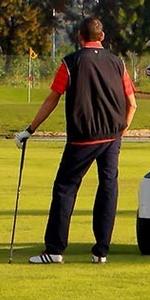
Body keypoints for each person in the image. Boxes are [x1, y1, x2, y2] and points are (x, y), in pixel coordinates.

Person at [16, 17, 136, 264]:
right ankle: (101, 252)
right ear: (102, 37)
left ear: (80, 37)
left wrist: (30, 129)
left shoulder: (70, 63)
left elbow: (53, 99)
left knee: (65, 189)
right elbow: (132, 103)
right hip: (112, 137)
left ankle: (55, 250)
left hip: (83, 137)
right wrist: (121, 132)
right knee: (108, 188)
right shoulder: (118, 63)